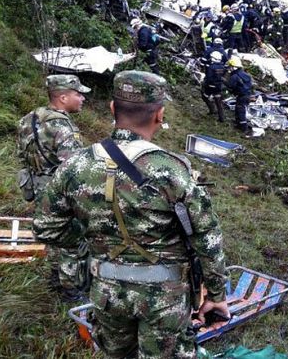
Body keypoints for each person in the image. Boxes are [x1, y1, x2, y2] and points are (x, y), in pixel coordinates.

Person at [33, 71, 229, 358]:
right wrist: (216, 295)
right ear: (159, 116)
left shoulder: (74, 165)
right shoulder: (172, 169)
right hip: (165, 296)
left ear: (113, 109)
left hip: (107, 291)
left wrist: (90, 240)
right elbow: (207, 238)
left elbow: (45, 228)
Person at [17, 74, 90, 301]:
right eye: (78, 94)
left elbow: (22, 155)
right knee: (73, 239)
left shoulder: (29, 119)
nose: (82, 99)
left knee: (53, 235)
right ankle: (71, 290)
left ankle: (56, 277)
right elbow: (74, 166)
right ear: (63, 97)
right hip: (59, 191)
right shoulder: (62, 126)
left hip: (38, 186)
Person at [225, 56, 253, 136]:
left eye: (230, 67)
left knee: (241, 111)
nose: (229, 68)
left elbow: (230, 86)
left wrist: (224, 82)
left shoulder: (234, 76)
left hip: (241, 96)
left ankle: (244, 129)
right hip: (247, 95)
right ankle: (238, 124)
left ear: (234, 67)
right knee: (238, 109)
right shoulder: (246, 75)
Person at [202, 51, 226, 122]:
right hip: (218, 86)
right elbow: (223, 76)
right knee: (218, 102)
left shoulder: (211, 67)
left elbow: (209, 78)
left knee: (205, 97)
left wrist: (205, 83)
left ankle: (212, 109)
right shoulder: (223, 67)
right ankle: (221, 118)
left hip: (210, 86)